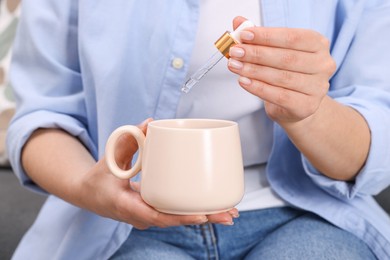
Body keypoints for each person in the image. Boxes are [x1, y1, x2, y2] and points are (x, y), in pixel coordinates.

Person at [6, 0, 390, 259]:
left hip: (305, 214)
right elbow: (42, 112)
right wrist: (85, 186)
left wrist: (310, 112)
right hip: (122, 222)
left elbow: (372, 141)